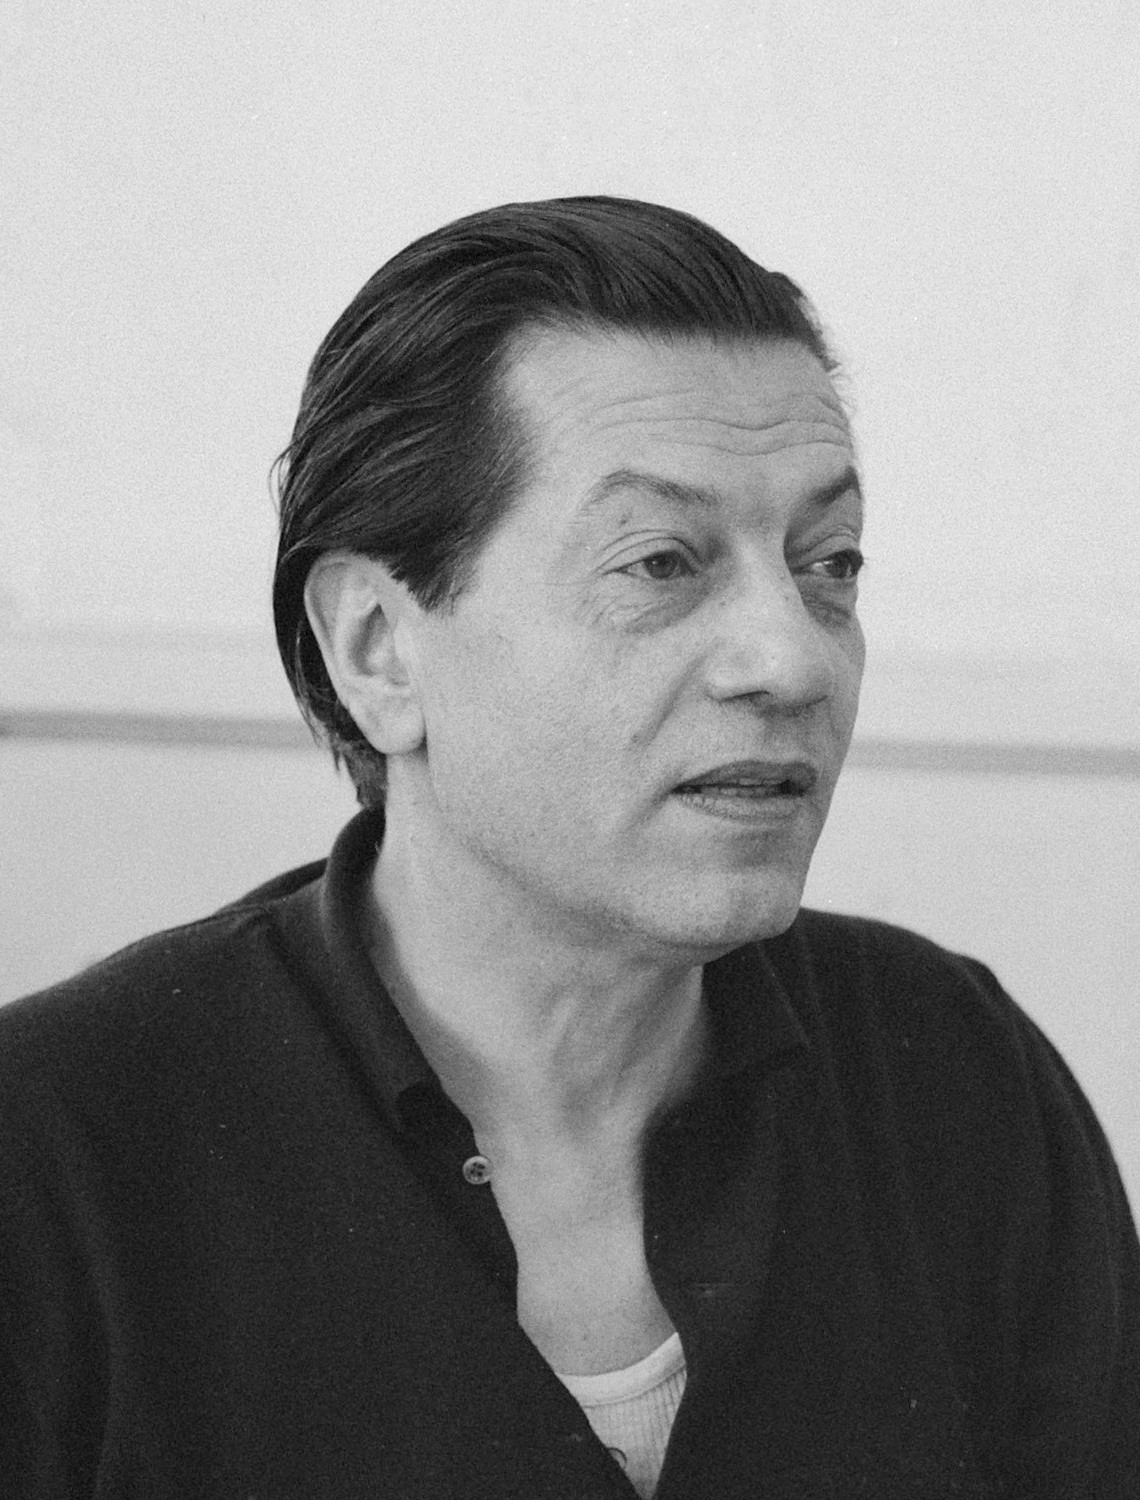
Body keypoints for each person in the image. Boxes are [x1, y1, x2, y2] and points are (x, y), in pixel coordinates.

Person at [1, 197, 1136, 1500]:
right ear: (378, 648)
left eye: (829, 563)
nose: (793, 659)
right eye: (659, 563)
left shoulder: (954, 1077)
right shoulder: (58, 1159)